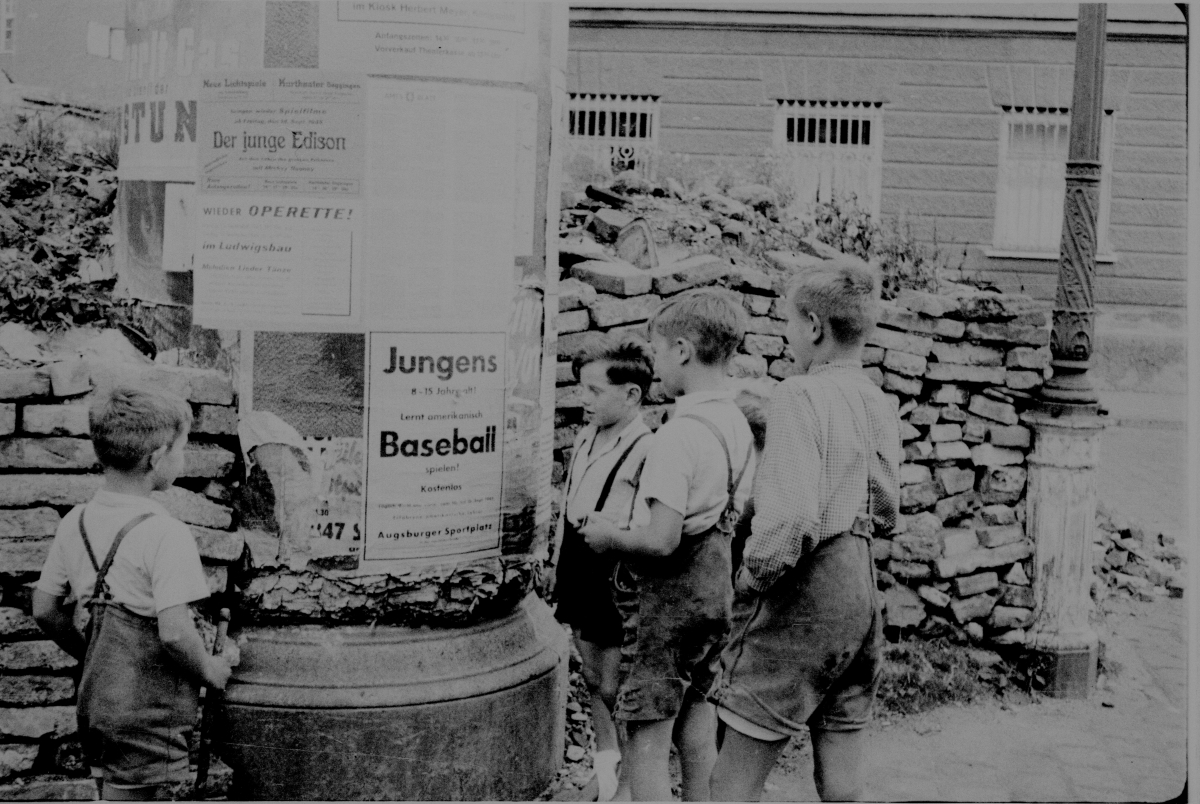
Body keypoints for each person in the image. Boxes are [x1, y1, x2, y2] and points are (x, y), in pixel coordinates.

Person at [707, 257, 901, 802]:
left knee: (732, 782)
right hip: (860, 592)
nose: (789, 336)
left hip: (806, 591)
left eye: (790, 323)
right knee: (841, 782)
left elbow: (791, 516)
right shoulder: (876, 399)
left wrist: (751, 578)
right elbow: (888, 508)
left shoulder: (798, 395)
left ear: (814, 326)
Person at [582, 288, 755, 801]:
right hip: (715, 593)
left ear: (682, 349)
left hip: (670, 603)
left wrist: (608, 535)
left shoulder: (677, 436)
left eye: (657, 352)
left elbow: (661, 540)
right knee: (697, 716)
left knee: (646, 733)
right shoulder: (736, 422)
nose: (654, 365)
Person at [32, 385, 237, 801]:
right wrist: (211, 670)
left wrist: (94, 653)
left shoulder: (76, 521)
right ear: (157, 457)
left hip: (98, 701)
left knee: (111, 789)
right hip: (146, 712)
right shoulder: (166, 533)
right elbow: (176, 634)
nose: (182, 458)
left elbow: (45, 610)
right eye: (182, 448)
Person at [553, 335, 655, 801]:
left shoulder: (647, 448)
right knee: (592, 676)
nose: (583, 400)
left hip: (613, 570)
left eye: (594, 391)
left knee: (614, 683)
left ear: (631, 395)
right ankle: (607, 766)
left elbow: (649, 523)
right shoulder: (586, 437)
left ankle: (636, 780)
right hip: (578, 560)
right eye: (581, 389)